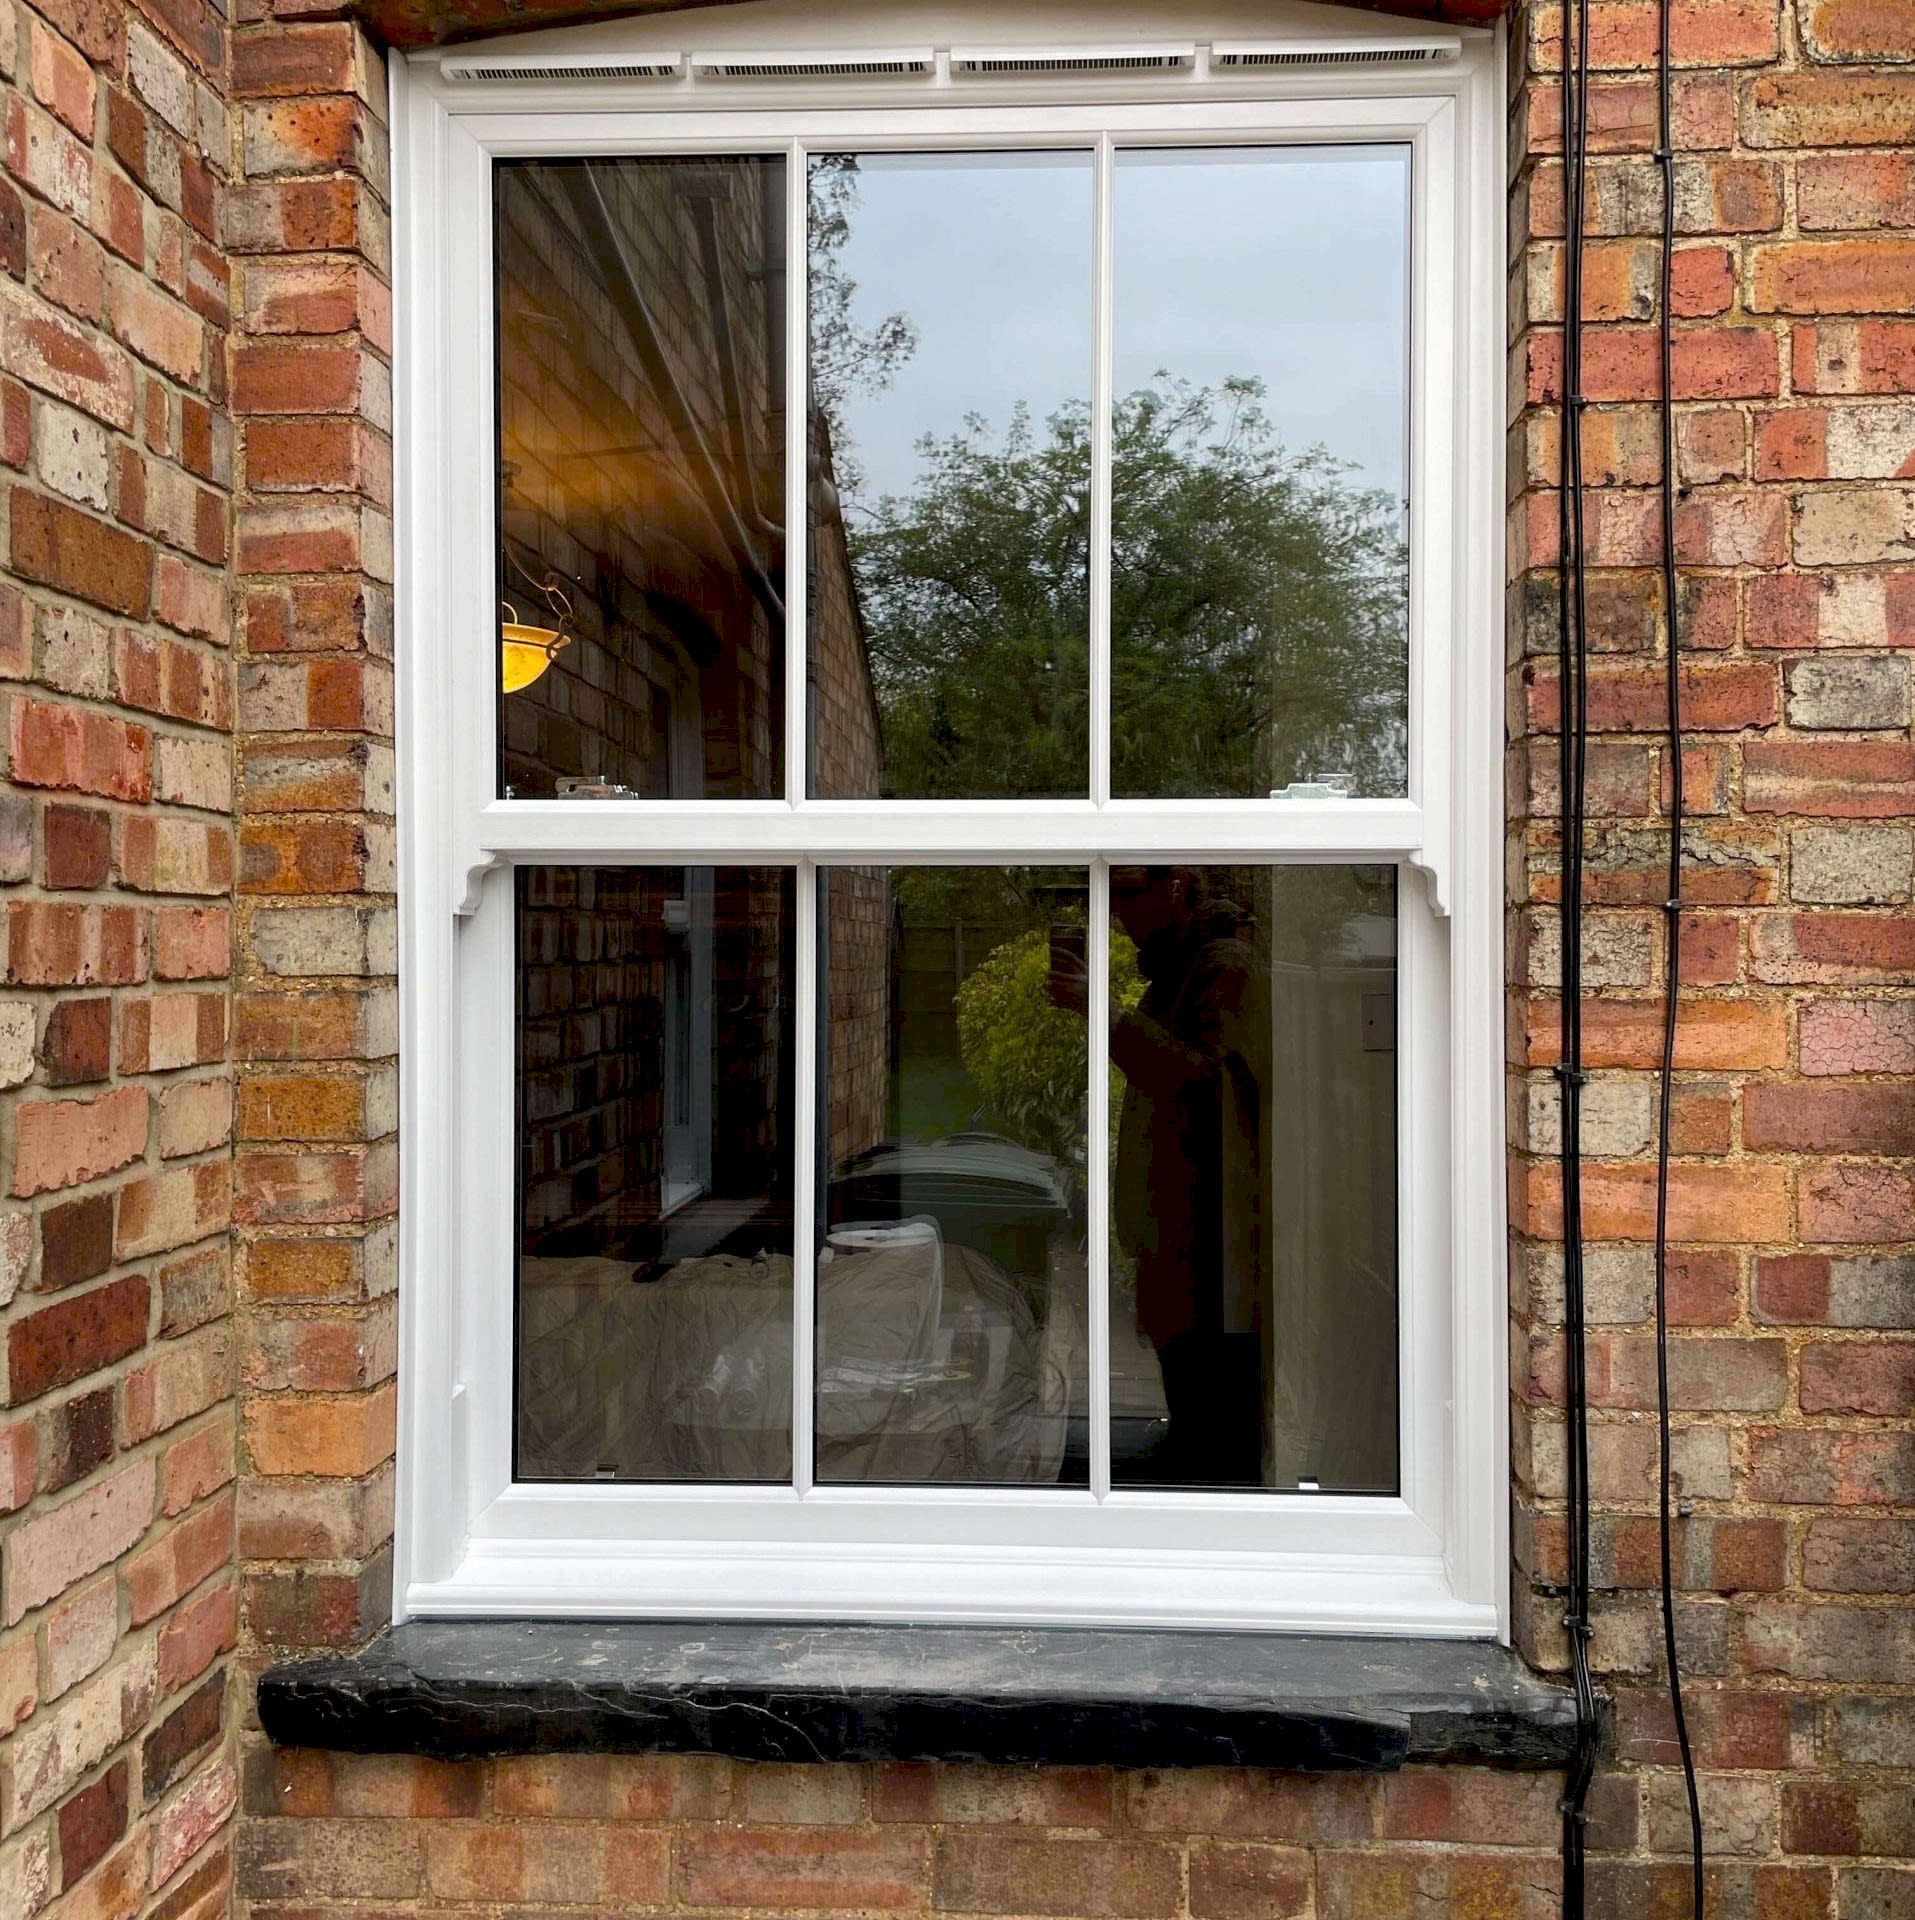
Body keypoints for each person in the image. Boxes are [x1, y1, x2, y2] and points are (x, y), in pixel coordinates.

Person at [1051, 867, 1270, 1486]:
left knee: (1212, 1412)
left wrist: (1106, 1013)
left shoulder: (1223, 968)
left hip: (1210, 1243)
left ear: (1175, 888)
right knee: (1188, 1396)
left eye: (1126, 891)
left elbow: (1204, 1089)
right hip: (1178, 1236)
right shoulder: (1177, 966)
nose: (1115, 909)